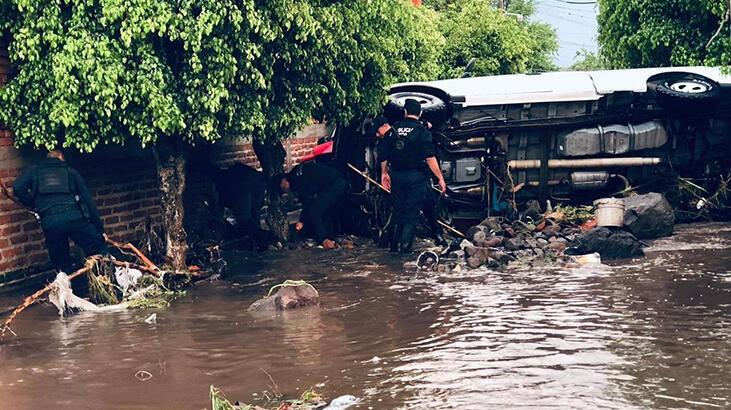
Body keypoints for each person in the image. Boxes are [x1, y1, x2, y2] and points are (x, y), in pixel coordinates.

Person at [12, 150, 108, 273]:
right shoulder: (70, 171)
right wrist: (100, 231)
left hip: (50, 222)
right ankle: (107, 283)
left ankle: (67, 288)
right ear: (61, 159)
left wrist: (34, 204)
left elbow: (17, 187)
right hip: (74, 218)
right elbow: (88, 202)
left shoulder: (34, 171)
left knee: (62, 264)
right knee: (99, 249)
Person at [380, 99, 447, 254]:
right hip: (416, 178)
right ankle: (405, 250)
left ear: (404, 112)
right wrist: (440, 178)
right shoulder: (422, 131)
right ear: (420, 113)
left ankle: (393, 249)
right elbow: (430, 158)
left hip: (397, 176)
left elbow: (384, 154)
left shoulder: (393, 130)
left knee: (398, 211)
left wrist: (384, 174)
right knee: (411, 213)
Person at [276, 162, 347, 249]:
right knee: (323, 210)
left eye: (283, 187)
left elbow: (307, 202)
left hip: (334, 184)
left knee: (314, 213)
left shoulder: (296, 180)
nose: (285, 190)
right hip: (335, 183)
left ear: (284, 179)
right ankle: (331, 237)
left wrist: (301, 220)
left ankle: (324, 240)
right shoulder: (295, 175)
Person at [211, 162, 267, 250]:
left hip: (241, 185)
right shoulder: (249, 181)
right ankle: (260, 238)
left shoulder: (241, 184)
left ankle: (262, 238)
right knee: (247, 218)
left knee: (245, 218)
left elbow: (246, 215)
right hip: (241, 184)